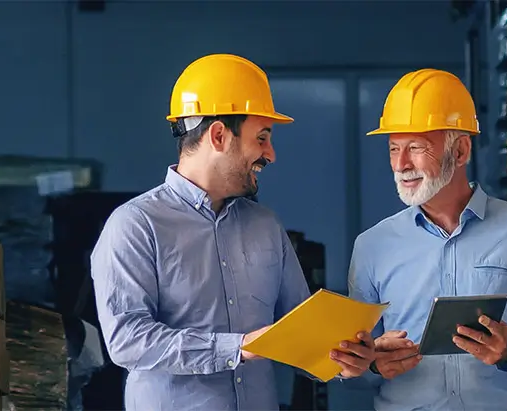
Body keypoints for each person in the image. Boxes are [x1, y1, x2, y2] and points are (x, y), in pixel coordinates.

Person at [90, 54, 375, 411]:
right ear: (220, 135)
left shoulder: (266, 225)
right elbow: (127, 340)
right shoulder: (135, 225)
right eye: (262, 137)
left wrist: (350, 361)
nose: (270, 154)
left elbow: (305, 338)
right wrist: (237, 347)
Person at [347, 68, 507, 410]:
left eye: (416, 147)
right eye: (393, 149)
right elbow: (347, 362)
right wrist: (373, 362)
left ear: (460, 151)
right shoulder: (372, 246)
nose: (401, 164)